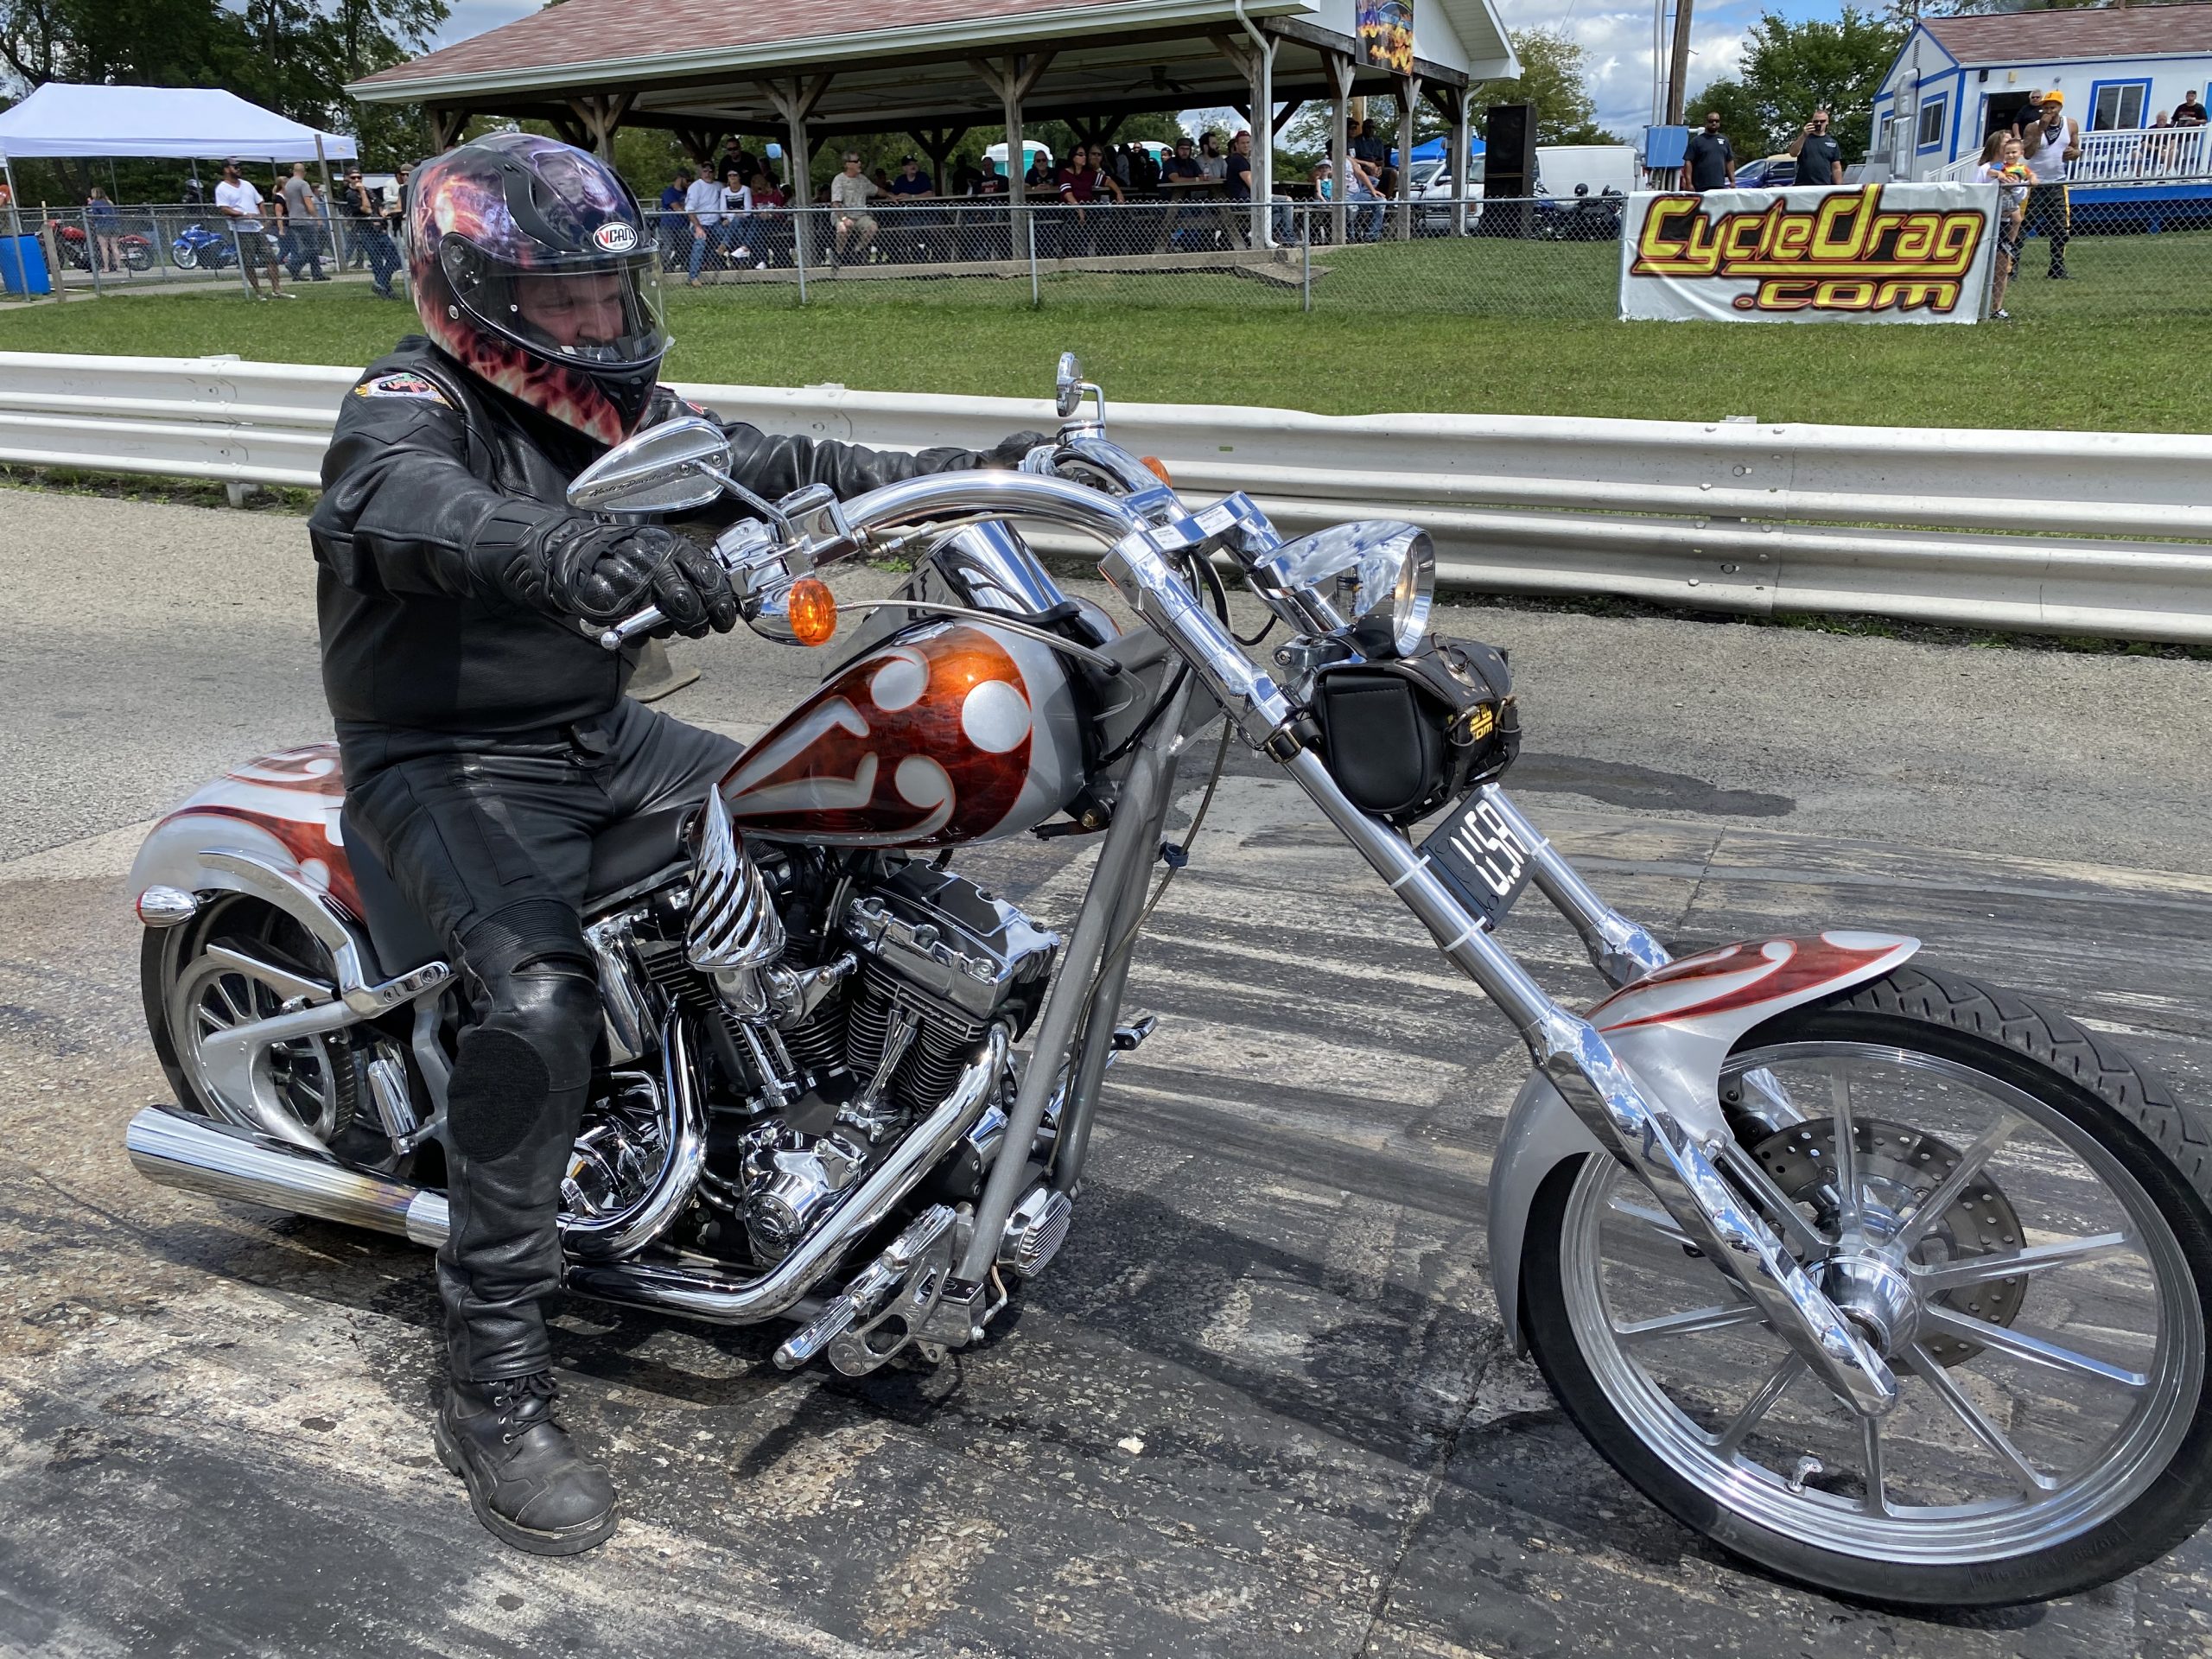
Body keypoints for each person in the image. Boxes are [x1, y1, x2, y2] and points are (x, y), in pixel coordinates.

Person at [304, 131, 1045, 1559]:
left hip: (599, 739)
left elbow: (787, 463)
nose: (594, 321)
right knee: (538, 996)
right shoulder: (413, 399)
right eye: (563, 298)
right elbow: (400, 500)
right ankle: (491, 1372)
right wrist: (568, 547)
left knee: (847, 829)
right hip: (450, 761)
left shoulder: (623, 413)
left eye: (606, 290)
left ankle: (840, 1155)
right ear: (471, 289)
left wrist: (983, 478)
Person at [2017, 90, 2078, 279]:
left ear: (2060, 107)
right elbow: (2027, 154)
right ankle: (2012, 268)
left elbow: (2076, 148)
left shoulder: (2071, 124)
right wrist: (2040, 131)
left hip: (2058, 182)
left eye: (2053, 107)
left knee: (2061, 228)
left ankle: (2057, 268)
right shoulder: (2032, 127)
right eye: (2046, 107)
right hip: (2035, 183)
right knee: (2022, 226)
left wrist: (2075, 153)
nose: (2049, 110)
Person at [1974, 131, 2031, 319]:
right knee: (1980, 265)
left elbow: (2021, 197)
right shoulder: (1985, 169)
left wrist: (2014, 185)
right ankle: (1976, 306)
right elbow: (1976, 193)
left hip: (2005, 223)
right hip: (1987, 222)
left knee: (2002, 266)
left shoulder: (2018, 170)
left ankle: (1996, 308)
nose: (2010, 146)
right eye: (2006, 142)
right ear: (1997, 146)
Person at [215, 160, 290, 300]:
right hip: (240, 230)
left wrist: (264, 217)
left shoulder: (247, 184)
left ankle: (277, 289)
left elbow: (259, 201)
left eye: (239, 167)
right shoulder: (222, 188)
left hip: (256, 228)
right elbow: (224, 208)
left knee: (271, 258)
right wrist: (243, 214)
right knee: (248, 262)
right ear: (226, 169)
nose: (239, 169)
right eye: (235, 167)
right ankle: (259, 292)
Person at [344, 168, 402, 299]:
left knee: (395, 260)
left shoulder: (369, 190)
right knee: (377, 262)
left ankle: (380, 283)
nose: (357, 180)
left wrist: (384, 213)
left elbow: (379, 206)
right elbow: (367, 209)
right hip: (366, 231)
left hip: (380, 230)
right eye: (354, 178)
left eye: (359, 177)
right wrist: (362, 191)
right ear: (348, 179)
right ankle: (386, 291)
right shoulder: (351, 194)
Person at [829, 150, 882, 265]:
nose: (860, 163)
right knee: (842, 229)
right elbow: (835, 204)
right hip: (843, 215)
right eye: (856, 161)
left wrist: (891, 195)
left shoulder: (862, 179)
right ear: (847, 164)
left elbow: (876, 190)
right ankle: (839, 255)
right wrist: (844, 219)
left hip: (861, 216)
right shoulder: (839, 180)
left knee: (872, 227)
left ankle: (857, 252)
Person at [281, 162, 329, 282]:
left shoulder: (288, 185)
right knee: (312, 248)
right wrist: (317, 218)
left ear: (293, 171)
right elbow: (308, 202)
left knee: (308, 248)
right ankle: (294, 265)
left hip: (293, 218)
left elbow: (287, 202)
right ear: (304, 172)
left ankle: (317, 273)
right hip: (305, 219)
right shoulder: (303, 184)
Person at [682, 162, 725, 285]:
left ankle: (736, 265)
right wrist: (698, 227)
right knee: (700, 242)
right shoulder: (695, 187)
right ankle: (693, 277)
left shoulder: (719, 186)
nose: (708, 173)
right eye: (705, 171)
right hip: (700, 224)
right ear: (701, 172)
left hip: (716, 223)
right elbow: (689, 209)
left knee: (730, 236)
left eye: (710, 171)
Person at [1789, 108, 1846, 187]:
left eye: (1822, 121)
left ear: (1827, 122)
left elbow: (1836, 168)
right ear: (1812, 122)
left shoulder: (1832, 142)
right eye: (1816, 121)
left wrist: (1839, 188)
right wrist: (1804, 135)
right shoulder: (1804, 139)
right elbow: (1793, 153)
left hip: (1824, 187)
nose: (1819, 123)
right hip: (1803, 186)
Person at [1685, 111, 1736, 191]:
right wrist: (1689, 183)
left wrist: (1732, 181)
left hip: (1719, 185)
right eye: (1711, 121)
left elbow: (1729, 161)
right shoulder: (1696, 141)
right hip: (1700, 186)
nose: (1714, 123)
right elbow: (1688, 162)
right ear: (1706, 122)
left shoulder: (1725, 140)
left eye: (1717, 121)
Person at [85, 186, 124, 275]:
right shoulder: (109, 202)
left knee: (104, 247)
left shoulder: (96, 203)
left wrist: (91, 204)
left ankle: (106, 267)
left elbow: (94, 214)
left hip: (102, 225)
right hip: (114, 225)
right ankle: (118, 266)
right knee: (114, 245)